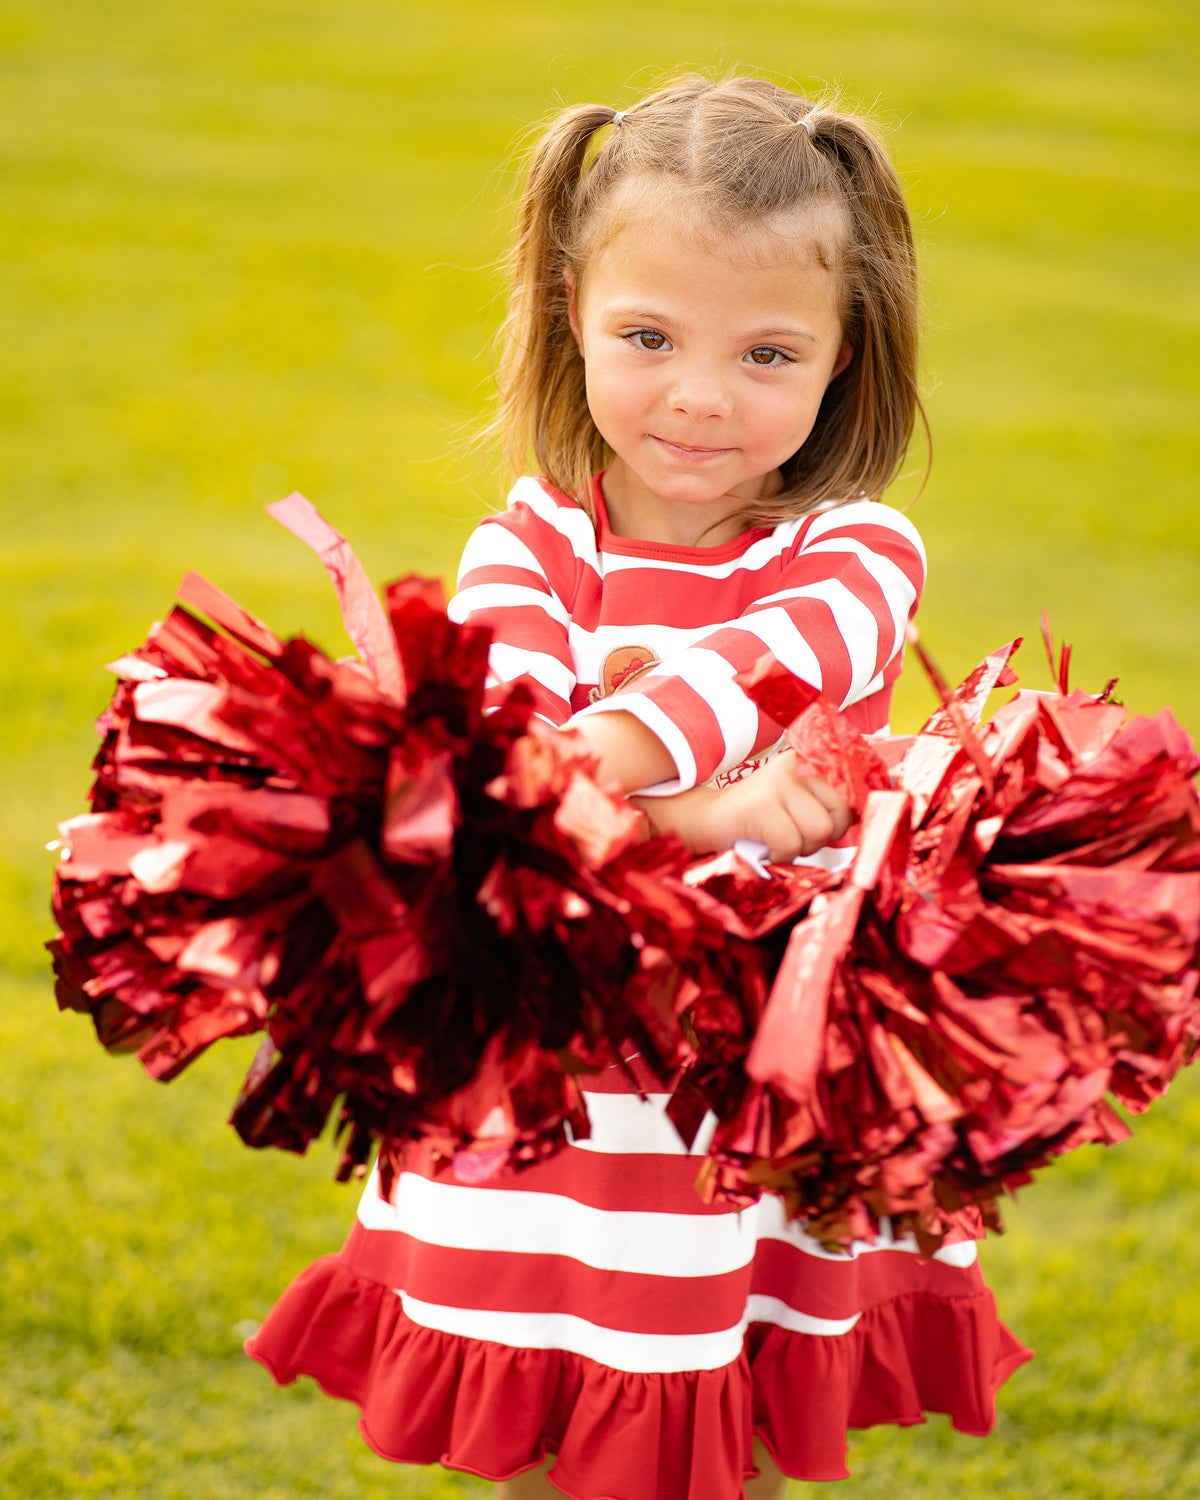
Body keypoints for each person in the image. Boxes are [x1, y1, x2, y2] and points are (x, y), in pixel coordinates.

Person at [246, 73, 1032, 1500]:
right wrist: (716, 817)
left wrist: (595, 783)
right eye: (650, 336)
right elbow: (510, 768)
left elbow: (739, 680)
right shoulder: (529, 543)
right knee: (557, 1384)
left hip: (753, 1066)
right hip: (571, 1047)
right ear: (569, 316)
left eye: (769, 355)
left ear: (848, 356)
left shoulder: (859, 551)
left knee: (722, 1388)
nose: (698, 397)